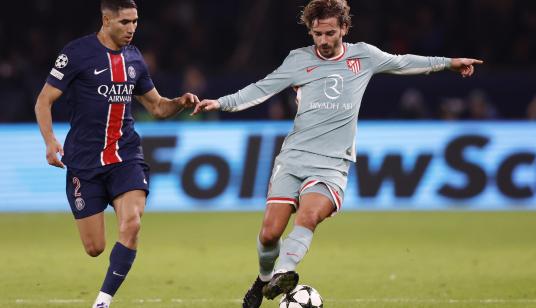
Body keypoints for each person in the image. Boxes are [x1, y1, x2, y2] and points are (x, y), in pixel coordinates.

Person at [192, 0, 483, 307]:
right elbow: (261, 88)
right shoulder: (298, 60)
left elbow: (403, 62)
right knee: (269, 234)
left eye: (330, 33)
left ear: (344, 28)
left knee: (309, 215)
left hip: (333, 163)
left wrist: (449, 62)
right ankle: (265, 279)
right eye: (317, 34)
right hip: (293, 157)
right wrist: (221, 102)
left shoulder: (364, 56)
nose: (324, 41)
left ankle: (285, 270)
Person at [34, 1, 199, 307]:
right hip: (84, 162)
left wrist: (180, 101)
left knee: (132, 223)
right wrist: (49, 140)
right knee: (95, 247)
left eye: (135, 21)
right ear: (106, 19)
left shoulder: (135, 58)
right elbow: (43, 101)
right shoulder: (76, 54)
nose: (132, 28)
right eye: (125, 22)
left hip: (126, 156)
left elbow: (157, 106)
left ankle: (102, 301)